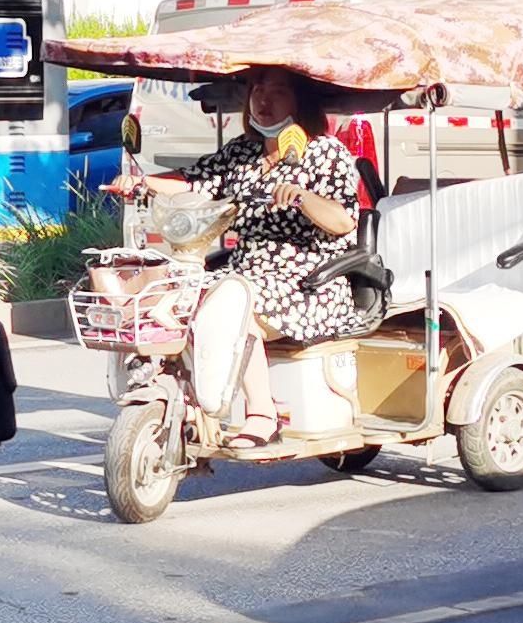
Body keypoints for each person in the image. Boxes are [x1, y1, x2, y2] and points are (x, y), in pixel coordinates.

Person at [114, 67, 364, 441]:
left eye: (277, 92)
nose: (263, 100)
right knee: (171, 296)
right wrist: (141, 181)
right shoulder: (242, 152)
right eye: (257, 90)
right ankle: (185, 398)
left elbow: (344, 219)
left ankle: (264, 413)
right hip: (243, 273)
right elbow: (194, 180)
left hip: (309, 283)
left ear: (300, 102)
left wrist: (302, 195)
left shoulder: (326, 153)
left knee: (234, 306)